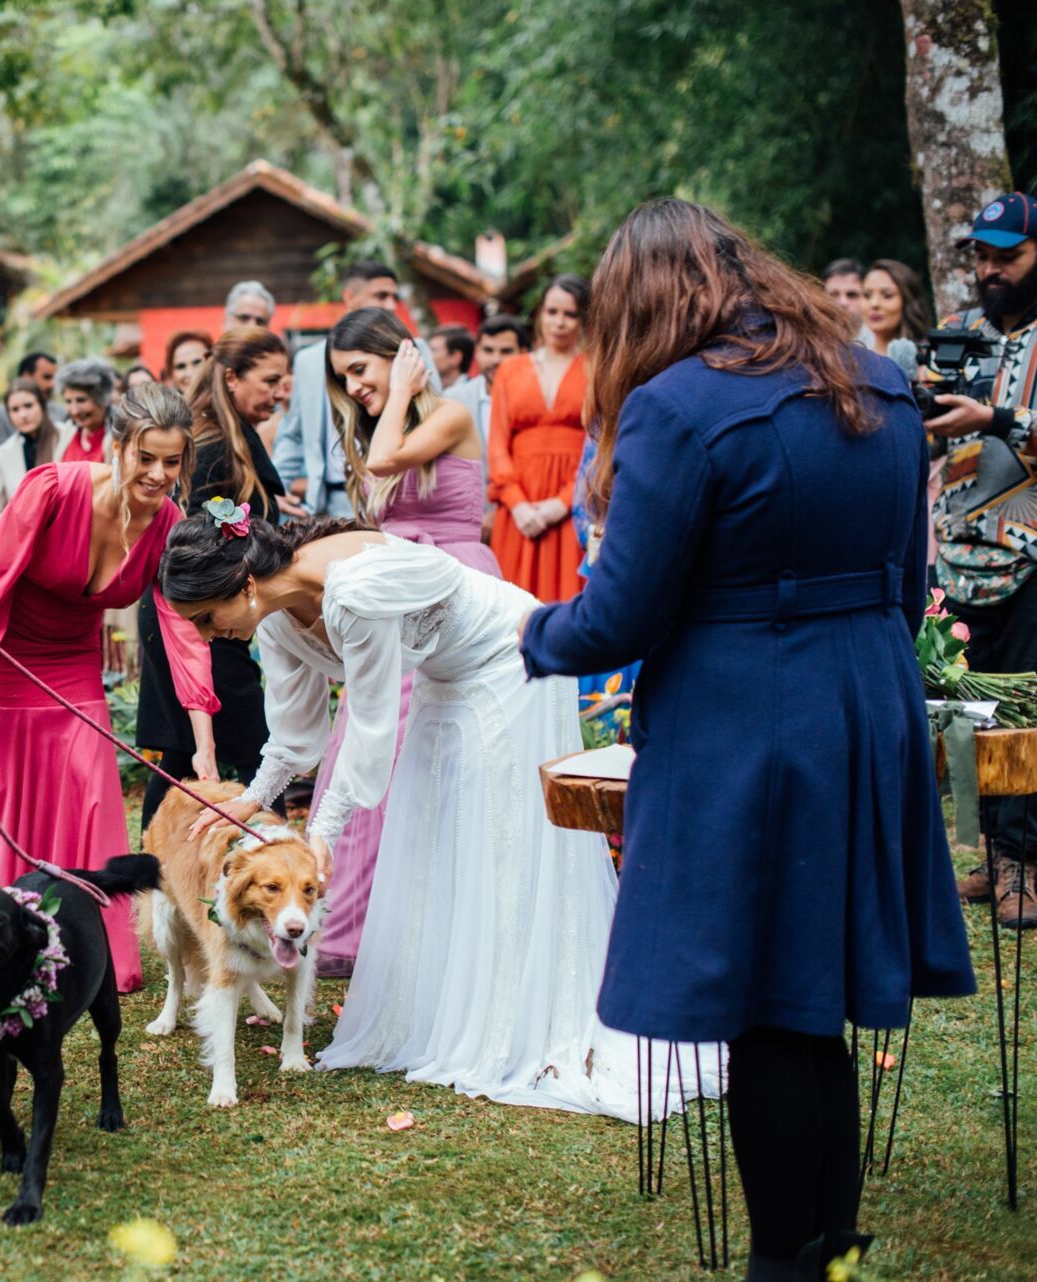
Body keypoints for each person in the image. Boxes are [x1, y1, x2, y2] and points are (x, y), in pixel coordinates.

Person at [521, 197, 975, 1280]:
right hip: (868, 701)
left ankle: (787, 1260)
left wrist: (529, 632)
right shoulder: (880, 383)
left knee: (764, 1005)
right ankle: (831, 1243)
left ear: (640, 304)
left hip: (746, 722)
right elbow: (910, 588)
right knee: (809, 996)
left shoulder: (679, 409)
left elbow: (619, 617)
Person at [160, 510, 700, 1123]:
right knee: (434, 843)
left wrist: (323, 832)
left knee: (499, 845)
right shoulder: (278, 620)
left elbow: (369, 718)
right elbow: (297, 729)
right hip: (446, 676)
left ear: (244, 584)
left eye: (207, 618)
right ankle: (448, 1019)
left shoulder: (351, 590)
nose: (206, 636)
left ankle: (510, 1027)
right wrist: (254, 796)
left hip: (509, 661)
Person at [0, 383, 218, 994]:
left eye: (173, 461)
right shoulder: (53, 487)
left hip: (75, 667)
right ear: (118, 445)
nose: (160, 474)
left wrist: (203, 741)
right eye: (147, 457)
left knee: (87, 790)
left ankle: (85, 946)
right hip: (6, 656)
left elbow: (181, 629)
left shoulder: (169, 523)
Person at [304, 307, 500, 979]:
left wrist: (408, 387)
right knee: (371, 744)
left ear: (400, 356)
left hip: (454, 590)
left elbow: (387, 458)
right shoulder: (376, 430)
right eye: (343, 379)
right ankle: (352, 929)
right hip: (400, 596)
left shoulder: (448, 415)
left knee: (440, 750)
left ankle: (444, 921)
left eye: (361, 369)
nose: (355, 388)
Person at [920, 192, 1037, 928]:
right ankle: (987, 856)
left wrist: (993, 417)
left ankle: (1026, 863)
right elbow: (935, 438)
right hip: (957, 554)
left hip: (1029, 558)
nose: (990, 270)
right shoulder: (957, 330)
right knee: (962, 714)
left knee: (1023, 711)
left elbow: (1001, 428)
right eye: (982, 257)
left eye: (1009, 256)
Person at [136, 329, 289, 832]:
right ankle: (274, 847)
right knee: (243, 746)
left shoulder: (228, 441)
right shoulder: (213, 446)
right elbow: (193, 540)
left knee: (189, 754)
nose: (279, 391)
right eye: (269, 380)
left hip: (202, 609)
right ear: (231, 377)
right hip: (197, 612)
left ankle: (165, 870)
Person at [273, 261, 404, 518]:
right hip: (330, 500)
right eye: (381, 296)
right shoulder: (309, 360)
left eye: (394, 297)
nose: (391, 305)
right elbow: (295, 434)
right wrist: (275, 487)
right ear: (350, 297)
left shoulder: (414, 350)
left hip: (397, 495)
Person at [489, 273, 590, 602]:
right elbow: (497, 443)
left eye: (570, 314)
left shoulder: (597, 369)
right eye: (552, 312)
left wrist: (564, 503)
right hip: (519, 507)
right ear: (540, 315)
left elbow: (603, 445)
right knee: (510, 606)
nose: (559, 322)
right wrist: (517, 504)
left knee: (568, 602)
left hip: (572, 505)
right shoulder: (510, 369)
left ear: (583, 319)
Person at [0, 378, 69, 522]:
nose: (23, 415)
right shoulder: (1, 455)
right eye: (15, 409)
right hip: (27, 538)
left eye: (28, 406)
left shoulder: (68, 436)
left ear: (42, 405)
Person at [446, 313, 531, 452]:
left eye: (506, 351)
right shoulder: (453, 400)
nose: (495, 359)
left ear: (523, 353)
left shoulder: (538, 400)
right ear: (477, 352)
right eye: (488, 350)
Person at [0, 351, 61, 454]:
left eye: (29, 406)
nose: (52, 384)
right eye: (46, 377)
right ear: (27, 376)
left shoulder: (62, 414)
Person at [861, 258, 931, 355]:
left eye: (887, 295)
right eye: (867, 295)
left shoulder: (928, 359)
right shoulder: (850, 356)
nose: (874, 304)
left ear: (907, 302)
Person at [56, 357, 115, 463]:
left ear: (102, 399)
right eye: (68, 401)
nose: (74, 411)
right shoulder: (67, 432)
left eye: (81, 400)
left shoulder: (120, 437)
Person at [427, 324, 474, 389]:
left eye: (433, 350)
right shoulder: (431, 390)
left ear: (455, 357)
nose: (427, 355)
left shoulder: (475, 395)